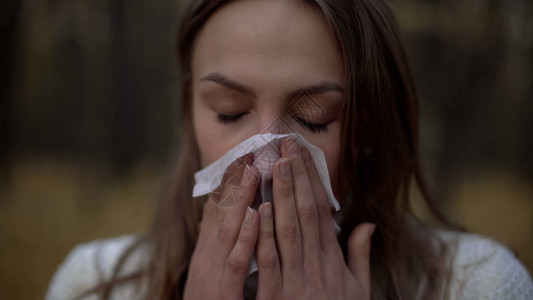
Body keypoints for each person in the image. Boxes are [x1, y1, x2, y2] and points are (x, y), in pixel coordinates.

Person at [46, 0, 533, 299]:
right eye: (229, 112)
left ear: (366, 130)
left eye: (310, 118)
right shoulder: (95, 285)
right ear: (190, 111)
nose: (265, 157)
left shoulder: (478, 285)